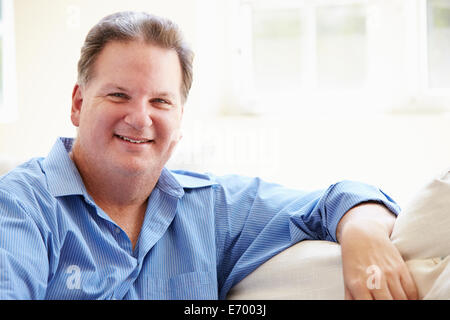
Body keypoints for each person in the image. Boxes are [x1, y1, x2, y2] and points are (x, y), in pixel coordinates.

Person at [0, 11, 418, 300]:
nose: (140, 118)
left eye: (161, 101)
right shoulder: (20, 207)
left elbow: (334, 199)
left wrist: (363, 231)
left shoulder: (210, 208)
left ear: (180, 118)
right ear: (77, 103)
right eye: (118, 95)